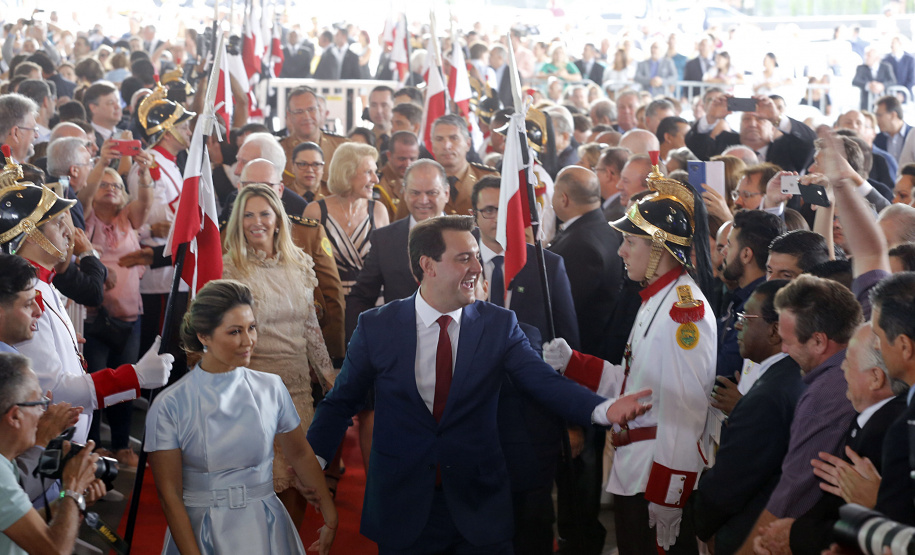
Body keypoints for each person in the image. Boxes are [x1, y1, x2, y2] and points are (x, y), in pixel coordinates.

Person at [307, 215, 652, 553]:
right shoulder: (377, 327)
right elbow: (341, 402)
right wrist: (313, 462)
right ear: (428, 265)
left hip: (479, 510)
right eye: (464, 258)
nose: (477, 266)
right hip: (404, 507)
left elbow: (544, 382)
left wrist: (603, 409)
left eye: (476, 255)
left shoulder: (499, 325)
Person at [543, 170, 717, 554]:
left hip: (656, 475)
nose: (620, 251)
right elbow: (637, 382)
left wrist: (669, 495)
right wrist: (574, 363)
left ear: (659, 247)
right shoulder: (657, 297)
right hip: (637, 468)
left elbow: (684, 410)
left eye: (630, 241)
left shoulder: (683, 311)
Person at [146, 279, 337, 555]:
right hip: (201, 531)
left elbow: (301, 455)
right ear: (204, 336)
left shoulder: (271, 387)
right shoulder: (170, 405)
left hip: (266, 527)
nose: (248, 341)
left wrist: (330, 516)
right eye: (235, 331)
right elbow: (170, 495)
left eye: (252, 328)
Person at [222, 184, 337, 529]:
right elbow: (224, 338)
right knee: (258, 498)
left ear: (278, 220)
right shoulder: (230, 269)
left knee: (297, 494)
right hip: (250, 395)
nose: (256, 222)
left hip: (298, 393)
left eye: (264, 214)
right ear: (238, 223)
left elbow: (311, 327)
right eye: (248, 215)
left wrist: (331, 379)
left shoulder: (300, 263)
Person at [679, 279, 804, 555]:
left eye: (745, 318)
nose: (737, 325)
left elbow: (730, 484)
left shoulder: (767, 396)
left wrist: (705, 527)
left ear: (774, 331)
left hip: (747, 533)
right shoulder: (790, 374)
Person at [738, 274, 861, 552]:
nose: (782, 349)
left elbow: (793, 492)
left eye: (788, 341)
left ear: (818, 341)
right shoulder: (843, 368)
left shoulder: (824, 396)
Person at [0, 352, 107, 555]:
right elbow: (55, 550)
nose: (44, 411)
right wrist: (73, 489)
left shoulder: (5, 461)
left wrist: (68, 501)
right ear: (14, 416)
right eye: (39, 403)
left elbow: (22, 525)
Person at [83, 163, 154, 468]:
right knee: (96, 384)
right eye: (104, 184)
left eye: (116, 185)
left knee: (126, 383)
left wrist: (145, 176)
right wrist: (101, 165)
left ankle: (123, 445)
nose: (110, 188)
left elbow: (145, 202)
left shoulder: (128, 219)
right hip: (94, 319)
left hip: (129, 317)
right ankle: (94, 445)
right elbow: (84, 194)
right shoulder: (85, 218)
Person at [346, 159, 448, 337]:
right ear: (405, 194)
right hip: (401, 344)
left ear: (446, 193)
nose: (423, 200)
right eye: (415, 192)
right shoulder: (384, 239)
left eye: (432, 192)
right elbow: (361, 296)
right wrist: (359, 345)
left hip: (457, 346)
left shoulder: (470, 237)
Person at [303, 142, 390, 296]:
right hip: (330, 303)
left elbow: (386, 267)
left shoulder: (378, 211)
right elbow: (303, 267)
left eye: (375, 172)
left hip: (372, 303)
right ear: (347, 173)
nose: (376, 179)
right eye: (368, 172)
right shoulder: (315, 211)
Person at [717, 210, 785, 378]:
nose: (724, 252)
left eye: (729, 245)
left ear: (746, 254)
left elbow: (724, 369)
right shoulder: (739, 296)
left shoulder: (758, 308)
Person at [686, 94, 817, 173]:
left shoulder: (786, 149)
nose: (752, 124)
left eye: (760, 119)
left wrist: (777, 117)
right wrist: (710, 117)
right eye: (746, 119)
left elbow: (810, 141)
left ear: (772, 127)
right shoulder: (724, 145)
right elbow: (694, 142)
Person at [279, 87, 348, 190]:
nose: (306, 116)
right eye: (299, 111)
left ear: (319, 111)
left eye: (311, 109)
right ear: (289, 115)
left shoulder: (342, 147)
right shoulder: (278, 151)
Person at [374, 131, 419, 222]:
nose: (408, 164)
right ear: (389, 156)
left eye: (412, 159)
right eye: (402, 159)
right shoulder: (379, 185)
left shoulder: (420, 182)